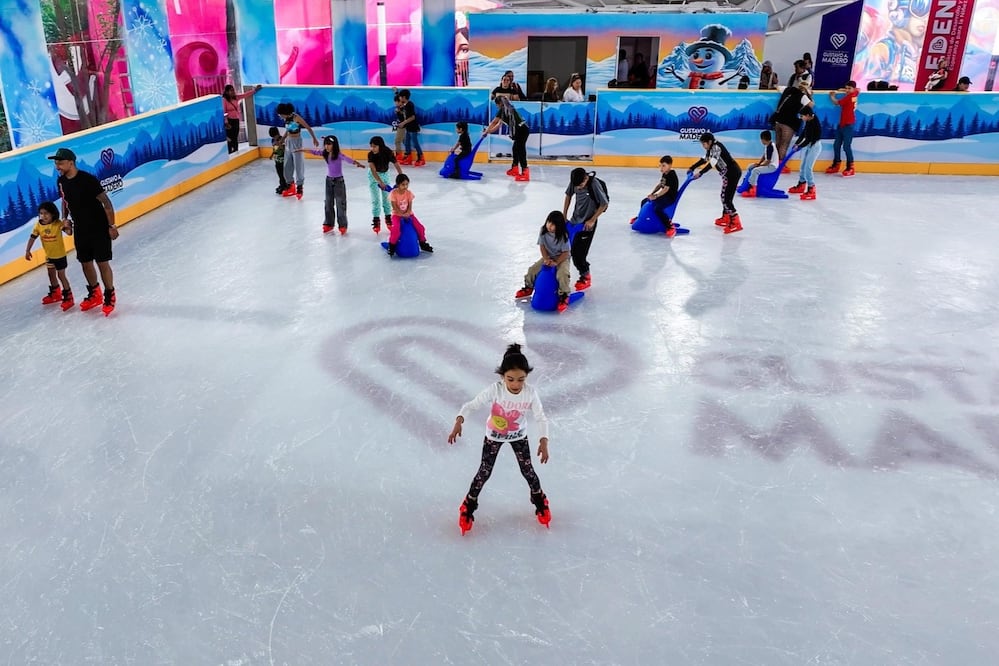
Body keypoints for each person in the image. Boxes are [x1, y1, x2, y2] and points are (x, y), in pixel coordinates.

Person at [448, 343, 551, 534]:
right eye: (510, 379)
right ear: (502, 376)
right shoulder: (495, 390)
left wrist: (543, 440)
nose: (515, 385)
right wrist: (459, 420)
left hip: (518, 435)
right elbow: (472, 405)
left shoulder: (530, 393)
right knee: (484, 472)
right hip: (494, 435)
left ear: (526, 377)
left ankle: (538, 498)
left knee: (528, 470)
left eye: (521, 380)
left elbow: (540, 417)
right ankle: (469, 503)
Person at [49, 147, 119, 314]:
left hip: (98, 227)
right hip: (80, 228)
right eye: (55, 163)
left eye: (60, 162)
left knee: (102, 263)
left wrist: (112, 226)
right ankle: (95, 293)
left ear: (71, 162)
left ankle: (110, 294)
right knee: (85, 263)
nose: (57, 166)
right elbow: (65, 201)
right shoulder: (61, 181)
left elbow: (107, 204)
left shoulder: (88, 180)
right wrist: (65, 219)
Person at [297, 135, 365, 235]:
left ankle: (342, 225)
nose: (326, 146)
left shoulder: (338, 155)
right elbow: (314, 152)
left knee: (340, 203)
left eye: (329, 144)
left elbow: (347, 158)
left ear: (334, 145)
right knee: (328, 203)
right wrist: (302, 150)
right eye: (325, 144)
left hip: (338, 182)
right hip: (328, 181)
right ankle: (329, 224)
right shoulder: (325, 153)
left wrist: (357, 163)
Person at [514, 211, 572, 311]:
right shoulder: (543, 231)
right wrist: (545, 258)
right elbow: (542, 246)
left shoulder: (563, 236)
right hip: (549, 256)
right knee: (533, 270)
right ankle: (529, 287)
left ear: (559, 226)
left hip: (562, 258)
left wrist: (557, 262)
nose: (550, 226)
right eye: (549, 222)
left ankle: (564, 295)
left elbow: (566, 253)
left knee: (562, 274)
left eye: (553, 224)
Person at [563, 167, 609, 290]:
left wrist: (592, 219)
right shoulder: (575, 181)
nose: (579, 188)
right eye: (577, 186)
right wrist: (564, 214)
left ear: (586, 178)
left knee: (579, 254)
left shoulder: (594, 184)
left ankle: (585, 276)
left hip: (587, 224)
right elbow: (568, 195)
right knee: (566, 250)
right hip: (574, 221)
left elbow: (604, 203)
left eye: (581, 185)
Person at [688, 132, 743, 234]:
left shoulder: (717, 147)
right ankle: (726, 217)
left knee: (726, 198)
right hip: (728, 174)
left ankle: (736, 222)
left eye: (704, 144)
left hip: (732, 173)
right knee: (724, 196)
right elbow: (704, 159)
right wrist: (692, 167)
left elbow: (712, 163)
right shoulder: (711, 148)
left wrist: (700, 173)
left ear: (709, 142)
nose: (703, 146)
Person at [24, 201, 74, 310]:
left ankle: (68, 296)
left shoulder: (58, 224)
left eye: (46, 213)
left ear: (53, 214)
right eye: (41, 213)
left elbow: (69, 233)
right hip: (49, 256)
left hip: (59, 256)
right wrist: (28, 250)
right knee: (51, 274)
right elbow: (32, 237)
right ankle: (56, 293)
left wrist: (68, 225)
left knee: (61, 275)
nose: (43, 216)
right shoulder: (38, 225)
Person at [275, 102, 319, 199]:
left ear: (285, 113)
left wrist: (314, 139)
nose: (280, 116)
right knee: (287, 165)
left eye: (280, 114)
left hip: (297, 142)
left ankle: (300, 187)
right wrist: (282, 140)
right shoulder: (286, 118)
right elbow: (288, 130)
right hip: (288, 142)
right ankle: (291, 186)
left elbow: (308, 127)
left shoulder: (296, 117)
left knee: (298, 164)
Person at [483, 96, 531, 181]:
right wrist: (488, 132)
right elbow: (498, 125)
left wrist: (486, 131)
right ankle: (515, 168)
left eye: (496, 104)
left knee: (520, 150)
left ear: (499, 104)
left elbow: (494, 122)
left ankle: (525, 172)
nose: (496, 106)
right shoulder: (507, 109)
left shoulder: (503, 110)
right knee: (515, 149)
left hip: (521, 129)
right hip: (521, 129)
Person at [771, 77, 814, 169]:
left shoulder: (788, 89)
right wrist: (809, 95)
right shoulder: (802, 96)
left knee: (778, 143)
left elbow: (777, 87)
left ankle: (775, 163)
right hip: (789, 123)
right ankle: (781, 165)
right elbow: (811, 105)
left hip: (778, 121)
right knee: (784, 144)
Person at [387, 173, 433, 255]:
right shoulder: (393, 193)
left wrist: (408, 213)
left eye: (407, 184)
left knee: (420, 228)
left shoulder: (408, 193)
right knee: (395, 230)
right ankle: (392, 246)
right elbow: (395, 208)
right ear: (398, 184)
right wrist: (402, 214)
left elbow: (410, 206)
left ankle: (422, 243)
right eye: (403, 184)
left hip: (409, 214)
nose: (405, 186)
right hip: (397, 215)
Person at [366, 136, 404, 234]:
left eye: (374, 146)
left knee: (387, 199)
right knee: (375, 200)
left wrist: (401, 177)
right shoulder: (371, 155)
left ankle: (388, 218)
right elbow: (373, 170)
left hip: (385, 175)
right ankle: (376, 220)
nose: (372, 148)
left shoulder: (387, 152)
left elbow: (396, 164)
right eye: (371, 146)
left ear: (380, 146)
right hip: (373, 177)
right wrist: (380, 182)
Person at [634, 155, 679, 236]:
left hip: (669, 198)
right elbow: (660, 185)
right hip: (664, 196)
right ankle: (640, 218)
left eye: (664, 166)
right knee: (644, 201)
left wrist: (656, 196)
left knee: (657, 208)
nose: (661, 168)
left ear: (670, 165)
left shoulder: (671, 174)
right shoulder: (665, 173)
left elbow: (666, 189)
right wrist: (652, 193)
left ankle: (669, 226)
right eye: (660, 166)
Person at [788, 106, 822, 200]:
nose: (801, 118)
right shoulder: (809, 120)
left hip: (815, 146)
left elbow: (808, 140)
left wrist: (799, 146)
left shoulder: (813, 123)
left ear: (807, 115)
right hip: (810, 145)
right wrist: (796, 143)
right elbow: (803, 133)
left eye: (802, 116)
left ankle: (812, 188)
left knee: (808, 168)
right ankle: (801, 184)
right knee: (803, 166)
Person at [826, 80, 859, 177]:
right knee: (836, 145)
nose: (847, 90)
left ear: (853, 89)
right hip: (842, 124)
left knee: (846, 146)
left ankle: (851, 167)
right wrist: (843, 89)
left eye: (849, 89)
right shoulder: (855, 93)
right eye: (846, 88)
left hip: (848, 125)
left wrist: (832, 96)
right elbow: (858, 90)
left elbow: (836, 103)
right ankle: (836, 164)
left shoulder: (849, 97)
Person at [222, 83, 262, 154]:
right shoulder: (224, 100)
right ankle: (230, 152)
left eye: (233, 90)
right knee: (230, 138)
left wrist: (255, 90)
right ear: (227, 92)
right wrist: (226, 122)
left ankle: (235, 151)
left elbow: (245, 95)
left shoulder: (236, 97)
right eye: (231, 90)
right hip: (229, 121)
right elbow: (224, 112)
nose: (233, 91)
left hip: (236, 120)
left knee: (235, 137)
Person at [741, 130, 777, 198]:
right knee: (750, 166)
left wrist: (759, 166)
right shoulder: (768, 144)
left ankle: (753, 189)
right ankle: (746, 184)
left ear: (763, 139)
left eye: (761, 140)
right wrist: (759, 163)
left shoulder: (770, 147)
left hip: (772, 166)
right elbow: (764, 155)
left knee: (755, 170)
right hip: (768, 164)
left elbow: (768, 161)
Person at [396, 89, 425, 167]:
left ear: (404, 97)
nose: (400, 99)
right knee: (407, 142)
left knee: (415, 143)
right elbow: (405, 115)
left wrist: (403, 123)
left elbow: (412, 117)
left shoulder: (410, 105)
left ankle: (421, 158)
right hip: (408, 128)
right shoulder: (405, 105)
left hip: (413, 127)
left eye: (401, 97)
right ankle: (408, 157)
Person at [268, 127, 289, 195]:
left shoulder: (281, 139)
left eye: (275, 136)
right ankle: (282, 185)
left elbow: (284, 148)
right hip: (277, 160)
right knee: (279, 174)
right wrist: (272, 155)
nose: (274, 137)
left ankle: (286, 186)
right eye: (273, 136)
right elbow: (275, 149)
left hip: (283, 160)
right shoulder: (273, 140)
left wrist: (279, 143)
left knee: (284, 174)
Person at [392, 92, 406, 159]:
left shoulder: (403, 108)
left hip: (402, 127)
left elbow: (403, 118)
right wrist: (396, 92)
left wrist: (398, 112)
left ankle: (399, 156)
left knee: (397, 141)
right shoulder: (400, 107)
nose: (395, 103)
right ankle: (406, 154)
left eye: (396, 102)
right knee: (404, 140)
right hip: (401, 126)